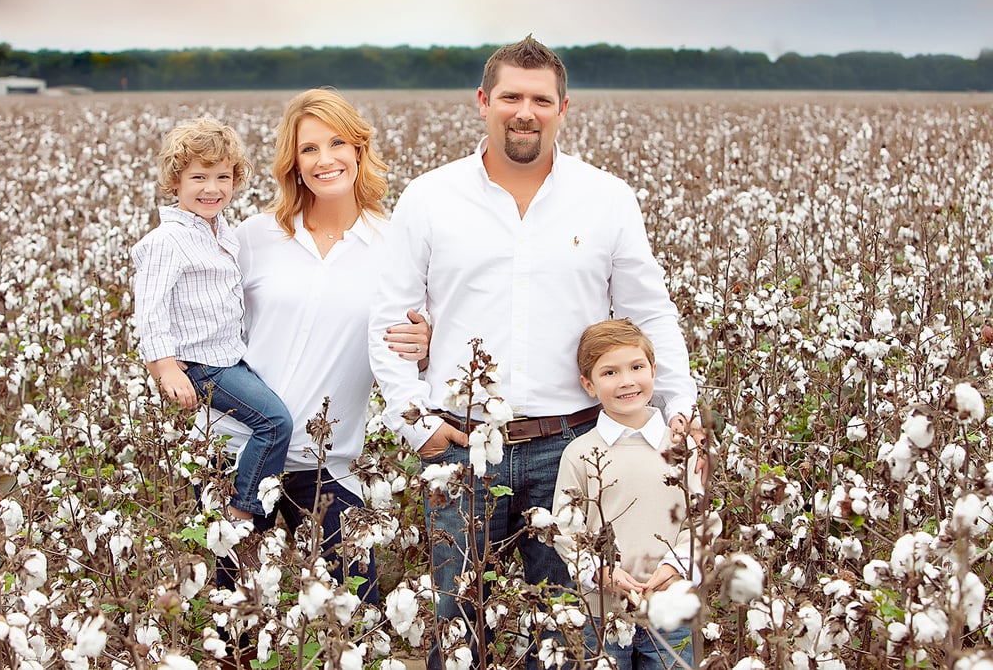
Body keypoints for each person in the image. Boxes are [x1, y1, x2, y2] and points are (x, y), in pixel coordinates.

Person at [367, 35, 701, 668]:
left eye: (540, 100)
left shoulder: (606, 198)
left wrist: (678, 404)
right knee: (459, 624)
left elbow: (649, 311)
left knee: (570, 629)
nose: (525, 112)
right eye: (511, 97)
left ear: (563, 108)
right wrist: (416, 426)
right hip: (460, 447)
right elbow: (388, 318)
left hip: (573, 449)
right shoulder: (430, 198)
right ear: (483, 101)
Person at [196, 88, 430, 604]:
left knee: (355, 614)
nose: (325, 160)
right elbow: (199, 317)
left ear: (359, 150)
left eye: (337, 143)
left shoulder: (396, 247)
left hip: (328, 464)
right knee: (232, 615)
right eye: (308, 149)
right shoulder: (253, 237)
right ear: (292, 164)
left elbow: (418, 338)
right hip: (238, 456)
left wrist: (428, 341)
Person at [132, 117, 293, 531]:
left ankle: (229, 499)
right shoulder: (164, 242)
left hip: (228, 357)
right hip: (203, 366)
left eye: (223, 177)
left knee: (236, 437)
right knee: (274, 423)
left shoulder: (223, 232)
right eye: (198, 177)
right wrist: (164, 366)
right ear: (175, 183)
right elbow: (150, 310)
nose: (212, 188)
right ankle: (242, 511)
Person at [555, 319, 709, 668]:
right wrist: (600, 572)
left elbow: (702, 522)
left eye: (636, 367)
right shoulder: (579, 454)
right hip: (601, 615)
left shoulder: (682, 448)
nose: (626, 381)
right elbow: (566, 533)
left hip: (671, 610)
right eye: (609, 373)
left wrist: (675, 566)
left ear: (654, 371)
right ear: (588, 384)